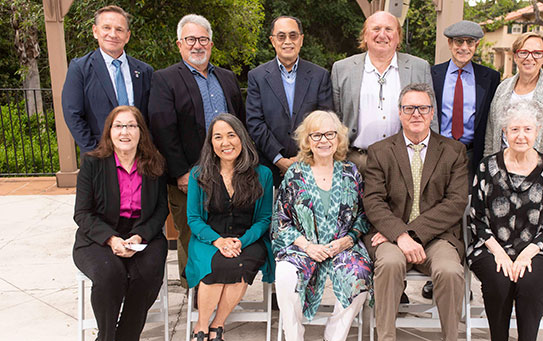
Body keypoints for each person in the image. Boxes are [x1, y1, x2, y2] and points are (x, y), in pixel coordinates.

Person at [363, 83, 468, 341]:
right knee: (389, 264)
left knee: (449, 270)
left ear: (432, 113)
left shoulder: (454, 151)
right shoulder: (380, 151)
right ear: (400, 113)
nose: (416, 114)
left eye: (422, 108)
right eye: (409, 108)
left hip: (437, 237)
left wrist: (409, 233)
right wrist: (399, 235)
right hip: (392, 236)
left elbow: (455, 202)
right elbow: (373, 201)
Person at [149, 14, 245, 288]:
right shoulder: (165, 79)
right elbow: (163, 129)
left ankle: (222, 285)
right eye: (191, 39)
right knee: (191, 233)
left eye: (203, 39)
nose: (197, 45)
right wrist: (180, 173)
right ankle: (193, 289)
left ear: (211, 44)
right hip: (189, 174)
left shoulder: (226, 78)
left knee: (225, 229)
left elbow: (240, 123)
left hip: (228, 173)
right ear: (180, 44)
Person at [468, 100, 543, 341]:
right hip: (490, 246)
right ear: (504, 132)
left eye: (527, 129)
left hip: (538, 249)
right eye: (514, 130)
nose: (521, 136)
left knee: (530, 283)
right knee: (499, 281)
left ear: (538, 131)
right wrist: (499, 253)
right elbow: (477, 218)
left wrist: (525, 255)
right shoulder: (486, 167)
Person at [272, 110, 373, 341]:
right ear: (307, 140)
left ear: (338, 139)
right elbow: (280, 220)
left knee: (360, 274)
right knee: (286, 276)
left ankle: (335, 338)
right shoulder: (295, 174)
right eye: (316, 135)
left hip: (342, 245)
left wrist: (347, 241)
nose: (323, 140)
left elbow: (364, 216)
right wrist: (307, 246)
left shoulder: (351, 172)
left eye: (329, 134)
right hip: (303, 245)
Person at [72, 106, 168, 341]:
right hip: (99, 236)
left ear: (140, 132)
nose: (125, 131)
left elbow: (160, 210)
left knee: (147, 275)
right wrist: (111, 239)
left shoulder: (155, 163)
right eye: (119, 125)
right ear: (109, 131)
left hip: (142, 233)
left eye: (131, 126)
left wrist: (139, 237)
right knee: (108, 275)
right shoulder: (93, 163)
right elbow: (82, 213)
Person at [184, 113, 274, 341]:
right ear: (211, 143)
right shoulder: (198, 174)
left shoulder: (262, 174)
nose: (226, 142)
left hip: (248, 239)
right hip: (208, 240)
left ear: (242, 138)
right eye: (218, 137)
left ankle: (217, 327)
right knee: (218, 265)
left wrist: (241, 241)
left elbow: (264, 219)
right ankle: (200, 328)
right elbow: (193, 219)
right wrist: (218, 241)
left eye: (231, 135)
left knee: (240, 264)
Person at [424, 20, 500, 300]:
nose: (463, 47)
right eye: (458, 42)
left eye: (469, 42)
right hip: (438, 154)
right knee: (433, 210)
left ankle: (460, 279)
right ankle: (436, 274)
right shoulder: (433, 74)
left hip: (470, 155)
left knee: (467, 216)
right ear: (450, 44)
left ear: (476, 45)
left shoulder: (489, 77)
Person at [331, 10, 437, 175]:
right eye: (376, 29)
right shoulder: (342, 69)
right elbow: (335, 117)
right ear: (365, 36)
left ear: (398, 37)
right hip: (355, 162)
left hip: (404, 161)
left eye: (389, 29)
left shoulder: (419, 67)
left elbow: (431, 117)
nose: (382, 34)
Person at [246, 15, 333, 185]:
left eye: (293, 36)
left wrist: (302, 157)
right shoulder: (256, 77)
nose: (287, 41)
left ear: (301, 39)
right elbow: (255, 123)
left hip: (311, 167)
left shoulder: (320, 76)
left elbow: (325, 121)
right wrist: (279, 159)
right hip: (269, 169)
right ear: (272, 41)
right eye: (281, 36)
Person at [62, 5, 153, 153]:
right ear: (95, 31)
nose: (113, 34)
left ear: (127, 36)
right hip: (99, 155)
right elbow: (73, 115)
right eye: (106, 28)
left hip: (139, 156)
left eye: (119, 29)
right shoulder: (80, 69)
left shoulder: (144, 71)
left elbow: (151, 116)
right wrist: (94, 152)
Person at [484, 32, 543, 183]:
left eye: (537, 53)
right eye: (523, 52)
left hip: (538, 177)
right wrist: (488, 171)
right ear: (516, 56)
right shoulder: (502, 89)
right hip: (501, 175)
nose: (529, 58)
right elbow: (491, 134)